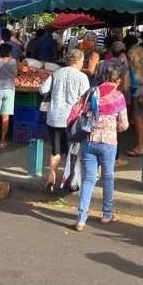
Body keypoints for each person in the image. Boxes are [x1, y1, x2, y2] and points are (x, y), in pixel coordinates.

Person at [71, 63, 129, 231]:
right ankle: (106, 214)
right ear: (117, 80)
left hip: (88, 141)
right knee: (108, 177)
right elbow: (124, 125)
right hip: (108, 143)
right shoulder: (118, 97)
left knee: (88, 180)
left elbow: (79, 113)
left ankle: (81, 219)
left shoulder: (91, 93)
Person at [42, 49, 90, 193]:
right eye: (82, 61)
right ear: (79, 61)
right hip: (72, 120)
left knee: (56, 151)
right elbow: (86, 98)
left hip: (54, 117)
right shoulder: (82, 77)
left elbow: (43, 90)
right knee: (73, 151)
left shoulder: (56, 74)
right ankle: (69, 180)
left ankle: (52, 174)